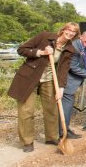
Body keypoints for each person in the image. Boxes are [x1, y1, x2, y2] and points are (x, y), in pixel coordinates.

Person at [8, 22, 79, 152]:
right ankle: (27, 141)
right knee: (26, 111)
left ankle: (52, 137)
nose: (70, 33)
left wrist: (61, 88)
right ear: (63, 30)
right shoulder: (45, 36)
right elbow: (21, 50)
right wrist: (41, 52)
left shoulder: (69, 49)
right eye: (68, 29)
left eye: (73, 32)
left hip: (49, 80)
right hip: (30, 77)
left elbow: (64, 69)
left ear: (75, 35)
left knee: (52, 109)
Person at [61, 30, 86, 139]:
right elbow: (73, 67)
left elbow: (82, 60)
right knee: (66, 108)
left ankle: (65, 129)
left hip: (73, 83)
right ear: (81, 36)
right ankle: (63, 132)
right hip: (68, 83)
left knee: (67, 108)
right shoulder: (75, 47)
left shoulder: (84, 46)